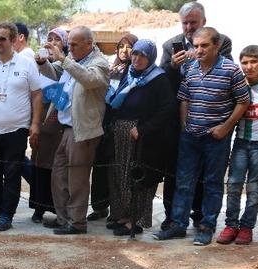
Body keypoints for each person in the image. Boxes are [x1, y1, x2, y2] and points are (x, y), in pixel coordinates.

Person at [153, 27, 250, 245]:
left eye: (204, 45)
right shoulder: (190, 68)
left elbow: (243, 101)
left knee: (213, 183)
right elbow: (184, 97)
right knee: (184, 182)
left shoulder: (231, 70)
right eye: (196, 46)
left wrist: (225, 127)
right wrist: (185, 125)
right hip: (191, 136)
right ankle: (178, 224)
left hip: (216, 138)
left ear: (216, 46)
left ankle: (206, 227)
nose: (199, 50)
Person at [158, 1, 234, 230]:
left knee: (209, 173)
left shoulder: (220, 39)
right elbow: (163, 80)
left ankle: (201, 217)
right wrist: (172, 65)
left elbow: (226, 71)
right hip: (181, 117)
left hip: (213, 118)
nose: (189, 27)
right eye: (185, 23)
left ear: (204, 22)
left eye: (194, 22)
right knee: (177, 171)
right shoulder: (170, 44)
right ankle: (173, 216)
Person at [0, 22, 43, 232]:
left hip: (16, 131)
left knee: (12, 175)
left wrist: (36, 124)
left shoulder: (26, 64)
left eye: (2, 39)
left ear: (13, 40)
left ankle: (6, 215)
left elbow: (37, 95)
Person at [42, 26, 110, 235]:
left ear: (89, 44)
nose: (69, 48)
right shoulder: (73, 60)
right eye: (68, 44)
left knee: (77, 180)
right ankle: (64, 218)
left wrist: (64, 59)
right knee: (59, 176)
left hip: (83, 131)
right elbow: (55, 74)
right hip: (65, 128)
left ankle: (77, 222)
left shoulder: (100, 63)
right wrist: (42, 62)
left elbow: (89, 79)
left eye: (74, 45)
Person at [103, 39, 175, 236]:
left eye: (142, 55)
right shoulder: (126, 73)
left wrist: (143, 129)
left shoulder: (158, 79)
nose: (137, 58)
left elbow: (166, 109)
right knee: (119, 175)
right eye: (135, 54)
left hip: (142, 137)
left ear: (150, 57)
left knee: (136, 176)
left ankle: (135, 219)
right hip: (120, 133)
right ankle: (122, 215)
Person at [217, 45, 258, 245]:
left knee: (254, 187)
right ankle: (231, 225)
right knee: (234, 184)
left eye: (254, 61)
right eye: (244, 62)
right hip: (241, 142)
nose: (249, 66)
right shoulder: (239, 84)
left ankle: (246, 228)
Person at [89, 33, 138, 224]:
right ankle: (99, 207)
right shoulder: (110, 69)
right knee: (99, 167)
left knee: (117, 169)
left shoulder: (136, 71)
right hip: (104, 124)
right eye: (121, 46)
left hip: (123, 125)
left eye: (130, 46)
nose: (125, 50)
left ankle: (118, 211)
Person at [29, 28, 68, 224]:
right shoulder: (37, 64)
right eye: (49, 39)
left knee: (56, 167)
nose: (52, 43)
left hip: (58, 120)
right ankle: (38, 207)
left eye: (57, 40)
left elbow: (59, 83)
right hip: (40, 118)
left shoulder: (67, 64)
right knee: (38, 164)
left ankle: (58, 208)